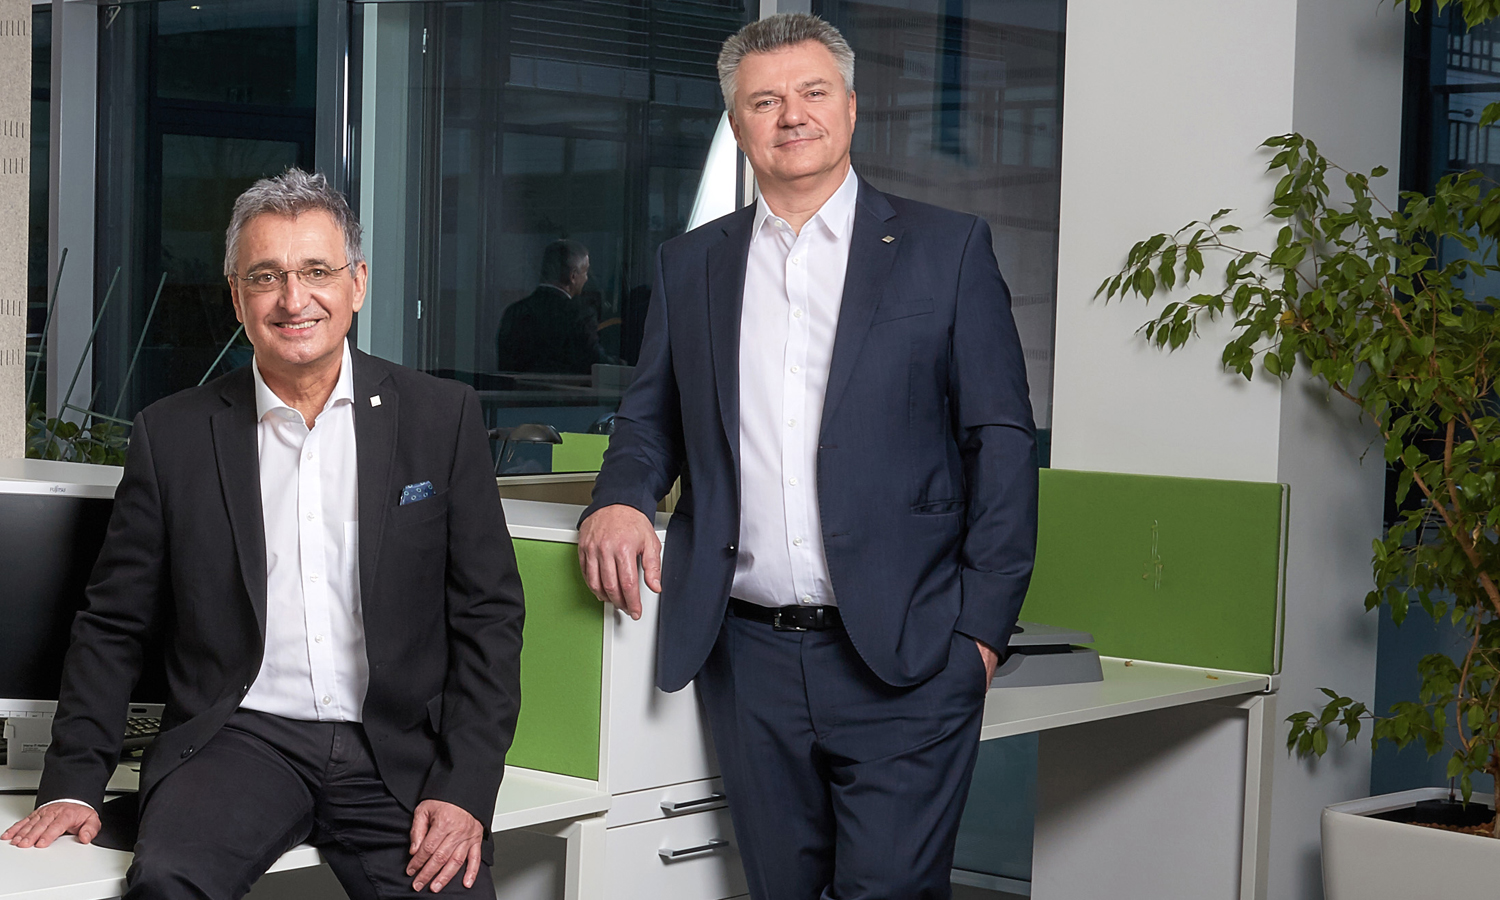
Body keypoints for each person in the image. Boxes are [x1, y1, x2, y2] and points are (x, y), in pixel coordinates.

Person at [576, 13, 1038, 900]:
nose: (792, 115)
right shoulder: (690, 265)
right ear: (738, 124)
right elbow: (649, 420)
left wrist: (980, 635)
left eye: (813, 92)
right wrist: (621, 497)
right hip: (747, 661)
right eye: (765, 101)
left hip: (909, 655)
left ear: (851, 107)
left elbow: (1002, 446)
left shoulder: (946, 250)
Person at [2, 169, 525, 900]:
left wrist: (465, 786)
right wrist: (73, 782)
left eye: (317, 271)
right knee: (167, 882)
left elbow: (488, 617)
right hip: (241, 741)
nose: (293, 299)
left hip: (397, 749)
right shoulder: (173, 435)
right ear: (236, 296)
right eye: (266, 276)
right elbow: (114, 623)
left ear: (357, 283)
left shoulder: (442, 418)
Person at [495, 239, 619, 374]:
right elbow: (595, 362)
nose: (587, 278)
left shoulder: (514, 312)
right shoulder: (579, 314)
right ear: (573, 276)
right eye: (586, 272)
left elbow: (506, 367)